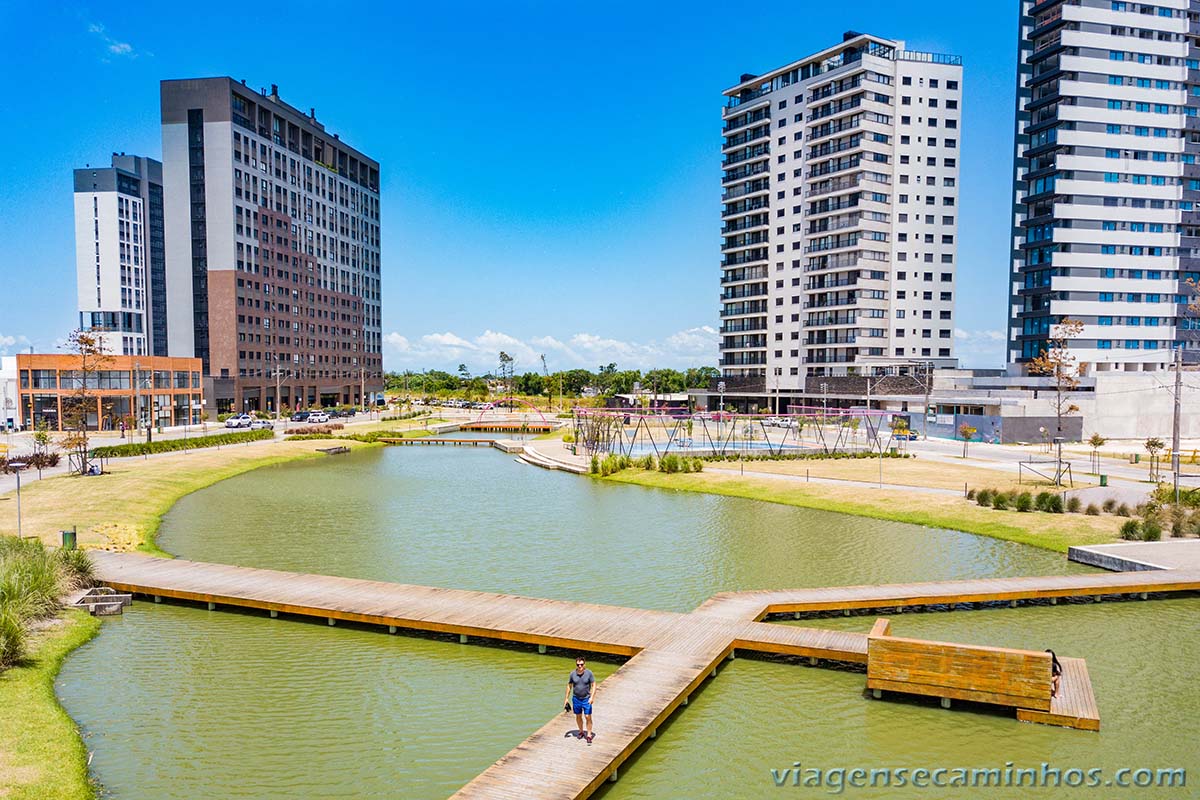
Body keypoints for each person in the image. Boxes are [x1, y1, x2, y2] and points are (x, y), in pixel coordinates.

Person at [563, 656, 595, 743]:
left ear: (584, 664)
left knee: (588, 716)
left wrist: (592, 697)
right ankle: (580, 731)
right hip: (576, 698)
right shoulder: (572, 674)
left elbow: (593, 684)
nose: (580, 666)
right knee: (578, 716)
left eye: (581, 664)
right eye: (578, 665)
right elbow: (569, 686)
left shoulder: (589, 673)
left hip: (586, 699)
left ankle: (589, 734)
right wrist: (566, 699)